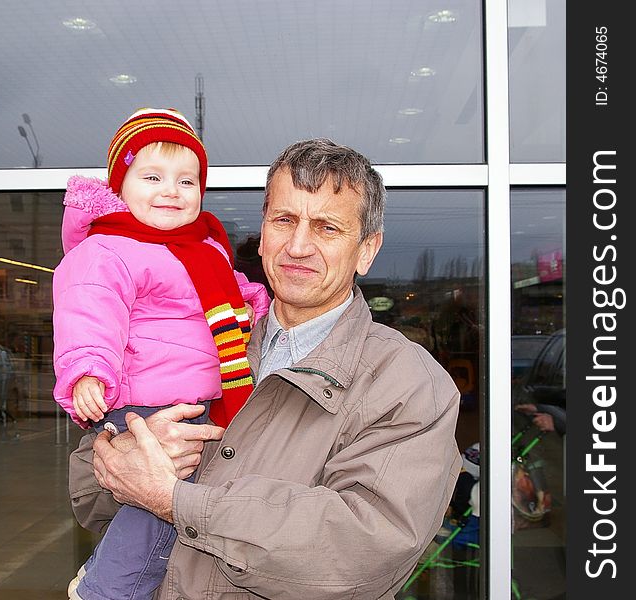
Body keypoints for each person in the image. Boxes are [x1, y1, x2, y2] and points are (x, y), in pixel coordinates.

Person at [68, 137, 462, 599]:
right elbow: (85, 497)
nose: (298, 246)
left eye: (327, 228)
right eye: (284, 220)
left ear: (367, 250)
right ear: (263, 230)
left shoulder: (409, 384)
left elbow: (360, 549)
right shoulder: (198, 339)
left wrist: (174, 500)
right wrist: (136, 445)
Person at [52, 107, 270, 600]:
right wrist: (88, 370)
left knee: (168, 507)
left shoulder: (201, 246)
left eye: (186, 180)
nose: (171, 190)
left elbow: (220, 294)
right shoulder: (108, 249)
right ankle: (106, 589)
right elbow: (88, 308)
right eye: (152, 177)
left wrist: (254, 303)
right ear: (120, 187)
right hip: (144, 400)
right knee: (160, 504)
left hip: (191, 399)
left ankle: (113, 580)